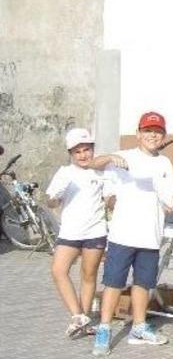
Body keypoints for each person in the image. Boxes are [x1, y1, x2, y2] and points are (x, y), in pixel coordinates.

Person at [90, 111, 173, 357]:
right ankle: (104, 328)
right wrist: (110, 157)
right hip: (122, 235)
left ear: (163, 135)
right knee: (113, 283)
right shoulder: (123, 157)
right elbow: (94, 166)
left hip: (150, 236)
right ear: (138, 133)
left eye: (157, 132)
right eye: (148, 131)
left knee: (143, 283)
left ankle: (139, 327)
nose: (152, 136)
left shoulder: (163, 163)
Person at [45, 128, 107, 338]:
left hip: (96, 230)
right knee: (58, 270)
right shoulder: (65, 172)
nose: (83, 155)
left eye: (86, 149)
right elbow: (50, 200)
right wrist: (55, 197)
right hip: (70, 232)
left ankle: (85, 319)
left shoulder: (101, 171)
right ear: (71, 153)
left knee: (88, 275)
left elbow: (110, 199)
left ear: (92, 149)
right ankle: (77, 314)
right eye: (77, 151)